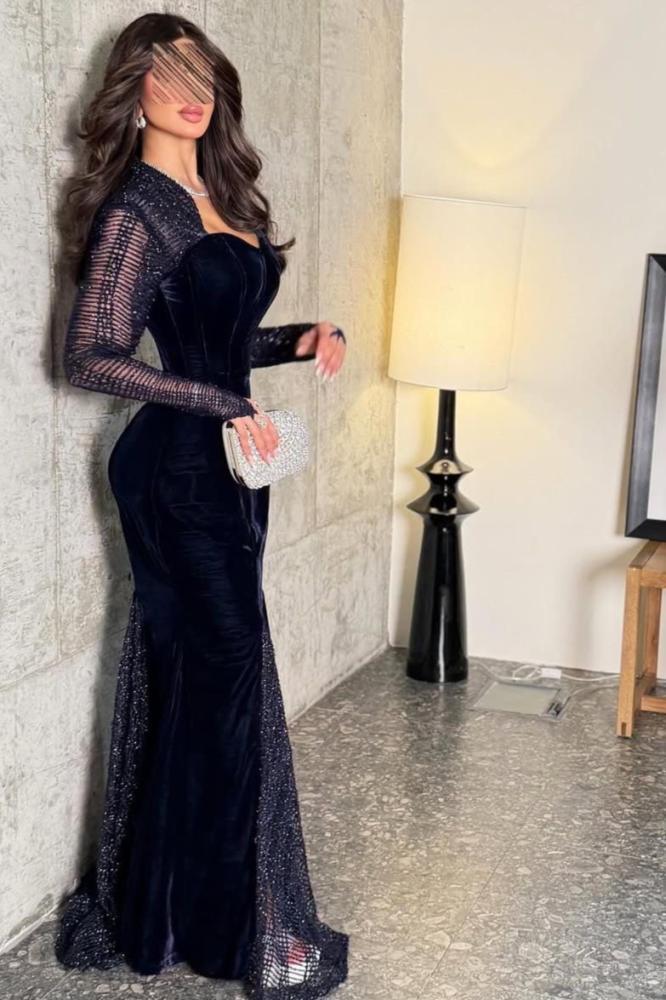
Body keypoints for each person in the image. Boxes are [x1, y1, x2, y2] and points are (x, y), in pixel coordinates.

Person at [53, 12, 349, 999]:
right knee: (224, 682)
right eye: (170, 73)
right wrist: (222, 403)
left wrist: (297, 339)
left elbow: (217, 341)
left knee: (208, 683)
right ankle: (233, 927)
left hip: (227, 468)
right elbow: (90, 356)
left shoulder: (212, 196)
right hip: (176, 473)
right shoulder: (137, 210)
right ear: (132, 88)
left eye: (204, 74)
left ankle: (176, 908)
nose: (193, 92)